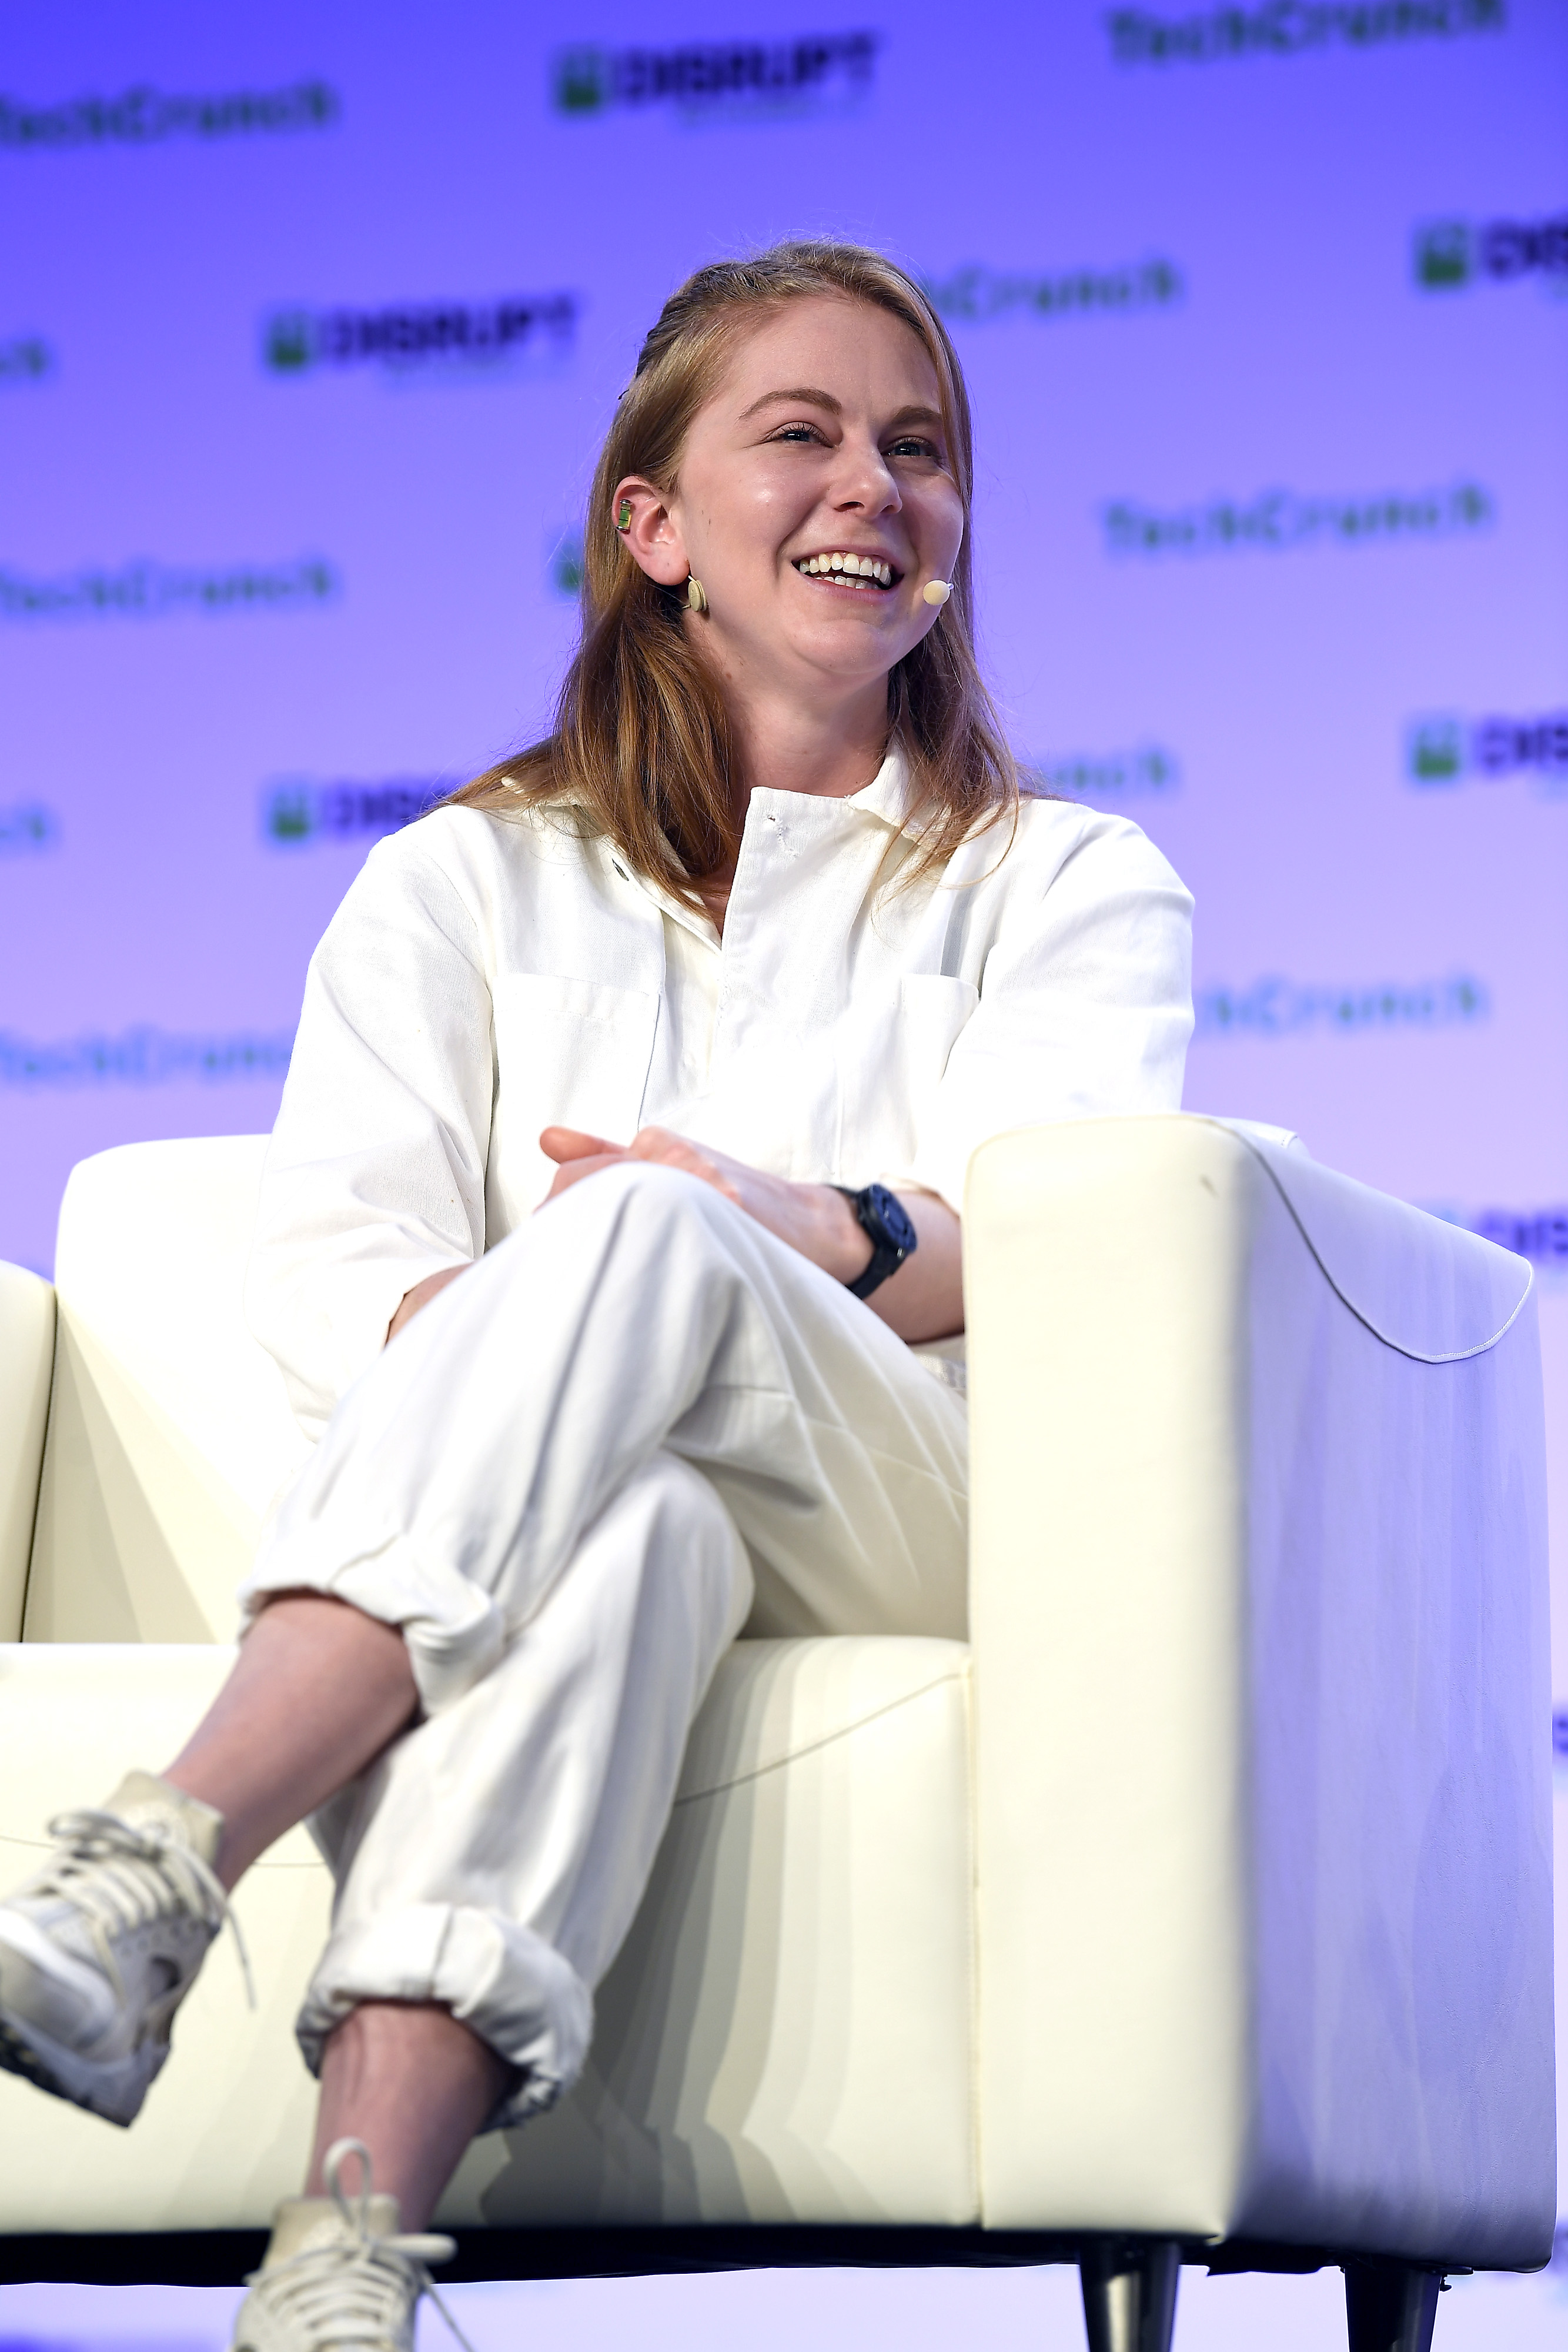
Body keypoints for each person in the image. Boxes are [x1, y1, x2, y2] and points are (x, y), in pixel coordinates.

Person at [0, 240, 1193, 2351]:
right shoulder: (461, 878)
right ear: (653, 529)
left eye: (919, 452)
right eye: (802, 436)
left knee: (635, 1236)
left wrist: (758, 1223)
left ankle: (169, 1856)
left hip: (909, 1510)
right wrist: (560, 1369)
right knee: (625, 1523)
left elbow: (1050, 1218)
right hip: (578, 1517)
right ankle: (343, 2254)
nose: (876, 490)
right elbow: (336, 1255)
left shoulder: (1068, 880)